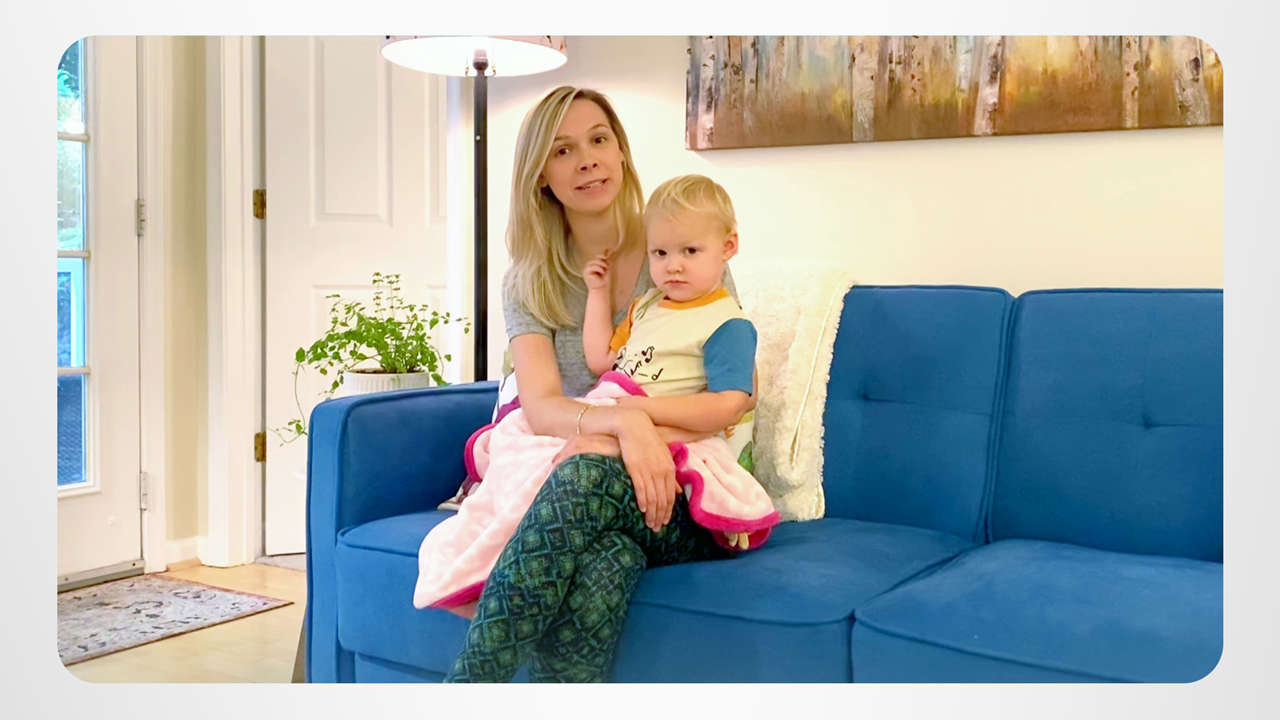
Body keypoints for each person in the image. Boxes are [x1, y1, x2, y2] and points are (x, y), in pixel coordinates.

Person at [443, 87, 754, 683]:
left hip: (681, 495)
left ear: (621, 153)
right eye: (563, 150)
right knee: (605, 562)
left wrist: (632, 433)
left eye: (598, 140)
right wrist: (622, 424)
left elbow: (739, 395)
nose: (586, 160)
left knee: (584, 473)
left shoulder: (679, 251)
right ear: (541, 175)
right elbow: (540, 407)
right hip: (589, 498)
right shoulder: (529, 281)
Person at [582, 173, 757, 481]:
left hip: (674, 443)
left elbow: (729, 406)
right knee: (525, 432)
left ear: (728, 247)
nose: (673, 266)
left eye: (690, 251)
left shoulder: (726, 324)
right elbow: (600, 360)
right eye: (660, 253)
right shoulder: (646, 306)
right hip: (620, 420)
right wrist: (597, 293)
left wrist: (640, 409)